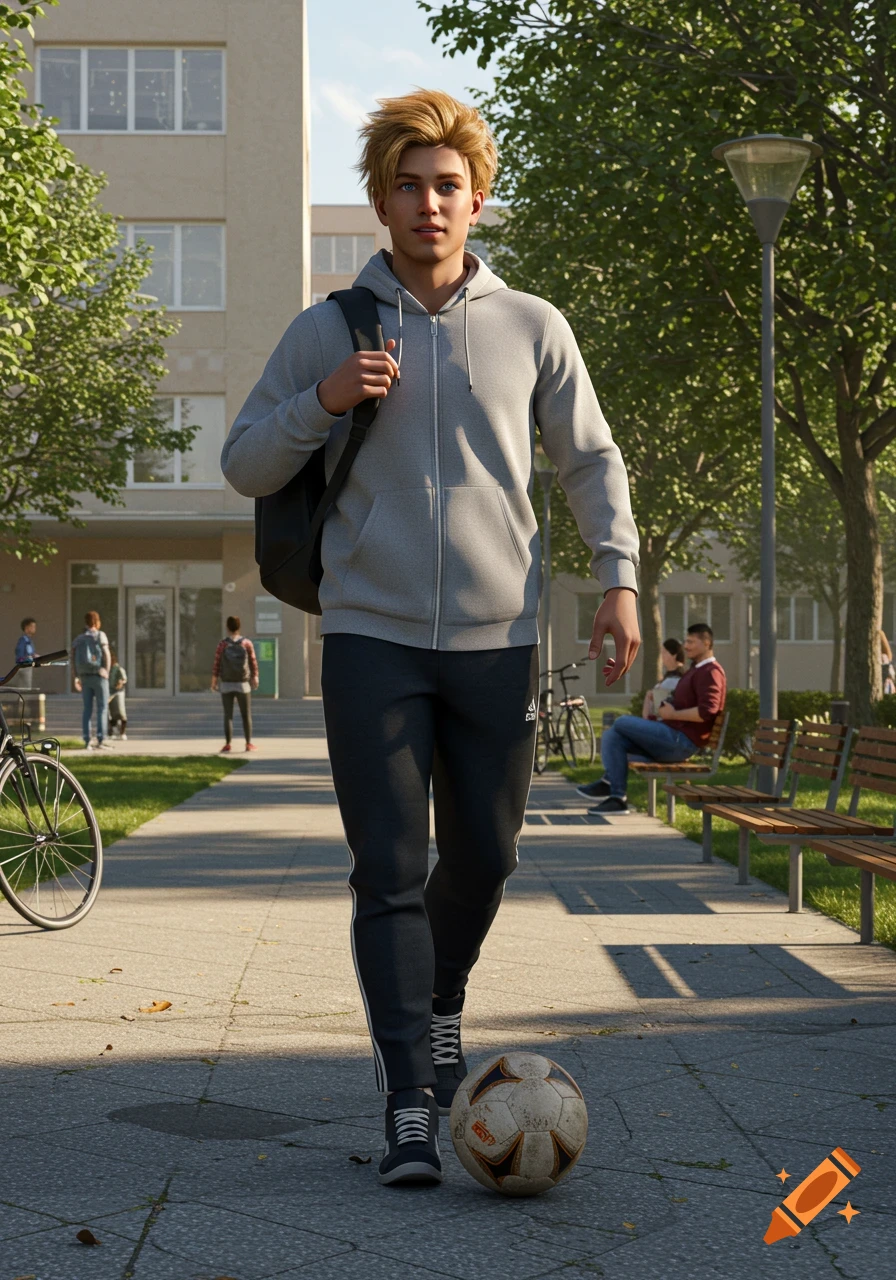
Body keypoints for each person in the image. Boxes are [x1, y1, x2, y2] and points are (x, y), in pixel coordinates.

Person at [222, 89, 640, 1188]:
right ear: (380, 199)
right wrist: (321, 397)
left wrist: (617, 577)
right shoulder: (328, 326)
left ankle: (439, 1000)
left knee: (488, 854)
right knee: (389, 867)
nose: (426, 203)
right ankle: (411, 1095)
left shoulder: (531, 325)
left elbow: (589, 460)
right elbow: (244, 461)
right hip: (371, 635)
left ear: (476, 198)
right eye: (406, 184)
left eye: (445, 184)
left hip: (496, 636)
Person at [584, 623, 725, 815]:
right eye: (686, 641)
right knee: (613, 737)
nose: (686, 646)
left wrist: (673, 714)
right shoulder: (695, 670)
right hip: (671, 736)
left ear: (707, 643)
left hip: (681, 742)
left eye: (691, 642)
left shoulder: (711, 672)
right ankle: (617, 797)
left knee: (621, 722)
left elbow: (707, 712)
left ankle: (608, 783)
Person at [577, 636, 685, 799]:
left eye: (664, 652)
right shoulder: (667, 680)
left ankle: (611, 787)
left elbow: (658, 713)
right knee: (613, 740)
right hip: (659, 736)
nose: (661, 655)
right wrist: (649, 699)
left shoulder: (674, 682)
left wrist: (650, 701)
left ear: (674, 655)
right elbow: (648, 714)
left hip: (667, 739)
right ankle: (612, 789)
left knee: (619, 726)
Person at [211, 616, 258, 752]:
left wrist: (214, 681)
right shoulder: (247, 643)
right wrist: (255, 677)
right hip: (243, 684)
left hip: (226, 684)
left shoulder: (222, 644)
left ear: (227, 627)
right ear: (239, 627)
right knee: (246, 714)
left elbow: (217, 663)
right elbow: (253, 662)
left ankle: (227, 744)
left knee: (228, 715)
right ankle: (248, 744)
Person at [72, 612, 113, 750]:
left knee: (87, 710)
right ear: (97, 622)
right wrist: (106, 671)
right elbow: (106, 654)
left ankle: (87, 740)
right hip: (99, 677)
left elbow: (73, 658)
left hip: (84, 677)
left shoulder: (79, 639)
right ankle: (101, 740)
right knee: (102, 708)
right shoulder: (100, 635)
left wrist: (76, 676)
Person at [107, 650, 128, 739]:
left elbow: (123, 679)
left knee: (120, 712)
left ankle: (122, 733)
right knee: (110, 713)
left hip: (118, 692)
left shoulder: (118, 668)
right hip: (109, 692)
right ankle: (111, 732)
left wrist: (121, 682)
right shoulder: (106, 668)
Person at [14, 618, 37, 690]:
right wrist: (23, 661)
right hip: (25, 666)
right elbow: (19, 651)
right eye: (32, 627)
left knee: (23, 688)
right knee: (26, 688)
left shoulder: (29, 640)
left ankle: (22, 700)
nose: (34, 628)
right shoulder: (24, 640)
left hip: (27, 666)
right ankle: (24, 701)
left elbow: (30, 653)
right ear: (26, 628)